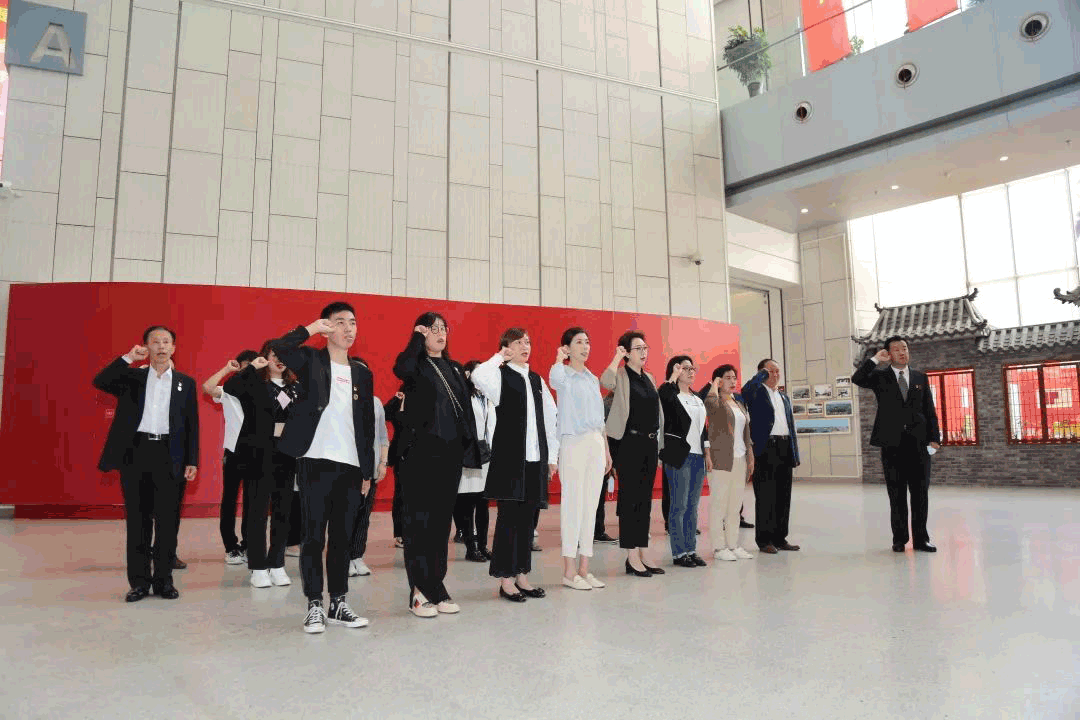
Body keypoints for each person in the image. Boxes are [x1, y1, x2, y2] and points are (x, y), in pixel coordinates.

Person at [271, 302, 375, 633]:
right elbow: (280, 347)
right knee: (313, 536)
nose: (348, 328)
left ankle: (338, 603)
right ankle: (314, 603)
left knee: (342, 538)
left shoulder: (362, 373)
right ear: (328, 328)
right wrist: (311, 328)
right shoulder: (311, 360)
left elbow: (366, 424)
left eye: (352, 322)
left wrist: (367, 471)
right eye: (340, 322)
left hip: (350, 465)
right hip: (315, 460)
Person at [93, 326, 198, 602]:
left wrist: (192, 460)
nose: (161, 346)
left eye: (166, 342)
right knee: (138, 521)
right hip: (136, 452)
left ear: (173, 348)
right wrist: (128, 358)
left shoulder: (185, 383)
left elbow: (192, 424)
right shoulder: (133, 377)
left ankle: (164, 581)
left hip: (171, 455)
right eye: (155, 341)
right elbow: (100, 381)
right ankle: (139, 583)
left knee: (167, 522)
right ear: (146, 347)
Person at [393, 311, 480, 618]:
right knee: (419, 524)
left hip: (449, 456)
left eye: (444, 328)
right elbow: (400, 367)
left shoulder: (455, 368)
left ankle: (436, 585)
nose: (440, 333)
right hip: (419, 456)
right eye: (432, 329)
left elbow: (465, 410)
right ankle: (418, 591)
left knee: (441, 525)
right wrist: (416, 339)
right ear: (422, 333)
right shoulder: (415, 365)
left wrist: (468, 448)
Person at [473, 327, 559, 602]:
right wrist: (499, 356)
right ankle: (506, 580)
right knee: (509, 521)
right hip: (510, 461)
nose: (525, 346)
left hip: (535, 460)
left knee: (527, 522)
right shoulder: (500, 375)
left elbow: (550, 418)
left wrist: (551, 457)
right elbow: (477, 376)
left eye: (528, 342)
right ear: (507, 347)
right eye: (519, 342)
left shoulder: (536, 379)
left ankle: (522, 575)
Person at [852, 336, 941, 553]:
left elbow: (929, 409)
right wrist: (875, 359)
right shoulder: (880, 377)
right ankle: (899, 539)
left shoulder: (920, 377)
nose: (902, 352)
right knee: (897, 494)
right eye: (897, 349)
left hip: (919, 444)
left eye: (905, 348)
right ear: (888, 354)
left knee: (920, 494)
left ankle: (921, 539)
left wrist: (935, 438)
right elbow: (857, 378)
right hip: (892, 444)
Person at [223, 342, 300, 588]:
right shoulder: (254, 382)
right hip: (258, 454)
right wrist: (251, 368)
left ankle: (277, 564)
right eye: (274, 355)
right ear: (265, 357)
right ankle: (257, 566)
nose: (279, 359)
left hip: (287, 455)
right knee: (257, 512)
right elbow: (230, 387)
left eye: (284, 355)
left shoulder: (296, 387)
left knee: (283, 512)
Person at [549, 327, 611, 590]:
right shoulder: (562, 374)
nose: (585, 347)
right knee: (572, 506)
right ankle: (569, 570)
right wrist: (558, 358)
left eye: (587, 342)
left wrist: (606, 449)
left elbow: (600, 419)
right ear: (567, 347)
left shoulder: (592, 379)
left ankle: (585, 568)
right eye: (578, 342)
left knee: (590, 506)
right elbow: (554, 380)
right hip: (572, 442)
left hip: (595, 442)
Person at [602, 331, 666, 577]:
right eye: (638, 348)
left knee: (644, 502)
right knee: (630, 502)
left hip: (649, 445)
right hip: (628, 445)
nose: (643, 352)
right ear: (627, 352)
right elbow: (605, 381)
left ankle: (642, 552)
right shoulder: (620, 375)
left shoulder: (649, 377)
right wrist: (616, 358)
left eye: (645, 348)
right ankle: (631, 556)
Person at [202, 350, 258, 565]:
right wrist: (226, 369)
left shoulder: (263, 391)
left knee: (254, 502)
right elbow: (207, 387)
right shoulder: (229, 390)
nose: (249, 371)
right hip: (234, 452)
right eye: (245, 367)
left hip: (257, 453)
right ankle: (231, 548)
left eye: (253, 366)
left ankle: (249, 544)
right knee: (229, 500)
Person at [741, 358, 801, 554]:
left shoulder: (784, 397)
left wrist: (794, 453)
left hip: (784, 447)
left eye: (777, 371)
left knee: (783, 496)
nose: (775, 374)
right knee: (766, 496)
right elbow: (745, 390)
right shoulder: (756, 392)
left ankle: (780, 538)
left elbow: (790, 426)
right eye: (770, 371)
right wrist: (761, 375)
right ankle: (764, 540)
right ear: (761, 373)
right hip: (766, 449)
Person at [658, 355, 710, 568]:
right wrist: (673, 376)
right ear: (676, 370)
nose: (690, 372)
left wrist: (707, 453)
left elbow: (703, 428)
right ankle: (679, 553)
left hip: (698, 457)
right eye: (685, 368)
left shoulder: (697, 398)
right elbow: (663, 395)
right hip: (679, 455)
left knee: (692, 506)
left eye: (692, 368)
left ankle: (691, 550)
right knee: (678, 506)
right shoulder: (670, 395)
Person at [703, 365, 755, 561]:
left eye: (734, 377)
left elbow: (746, 433)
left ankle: (733, 545)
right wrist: (714, 386)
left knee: (735, 506)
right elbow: (709, 404)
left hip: (740, 458)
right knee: (719, 505)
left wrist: (750, 456)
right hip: (721, 460)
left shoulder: (738, 403)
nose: (733, 381)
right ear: (718, 381)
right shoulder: (715, 402)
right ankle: (719, 548)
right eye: (727, 377)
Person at [454, 361, 496, 563]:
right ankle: (471, 548)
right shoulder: (463, 397)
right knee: (467, 504)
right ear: (468, 374)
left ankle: (483, 546)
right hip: (469, 453)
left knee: (483, 503)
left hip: (486, 453)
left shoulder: (488, 397)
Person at [348, 396, 390, 577]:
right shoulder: (344, 399)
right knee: (347, 514)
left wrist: (383, 462)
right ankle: (344, 558)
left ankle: (357, 555)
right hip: (349, 468)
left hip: (371, 468)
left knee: (364, 515)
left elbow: (382, 436)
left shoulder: (376, 402)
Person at [593, 393, 618, 544]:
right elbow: (610, 435)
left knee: (599, 496)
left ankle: (598, 531)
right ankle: (595, 532)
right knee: (594, 496)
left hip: (603, 453)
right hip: (595, 452)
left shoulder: (605, 402)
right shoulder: (608, 404)